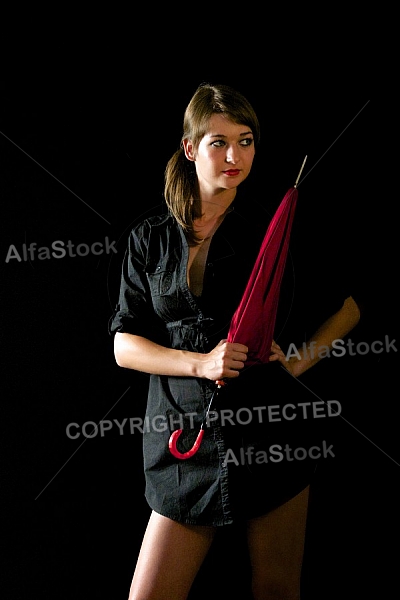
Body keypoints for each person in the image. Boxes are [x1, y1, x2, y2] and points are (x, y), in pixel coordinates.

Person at [108, 83, 362, 600]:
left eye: (245, 141)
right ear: (189, 147)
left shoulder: (269, 230)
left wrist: (293, 365)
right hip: (182, 437)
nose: (234, 155)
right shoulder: (149, 239)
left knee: (275, 591)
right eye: (218, 142)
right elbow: (124, 345)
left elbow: (347, 311)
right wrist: (201, 363)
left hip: (269, 434)